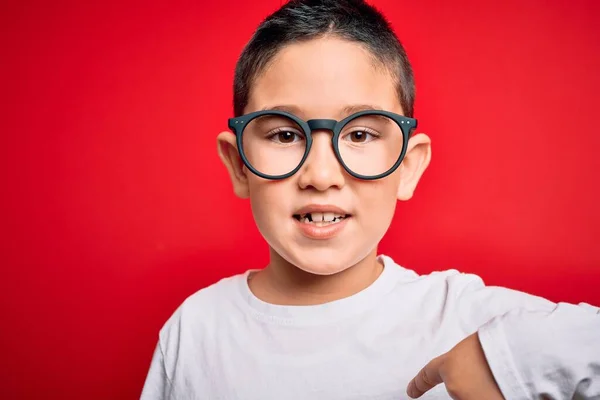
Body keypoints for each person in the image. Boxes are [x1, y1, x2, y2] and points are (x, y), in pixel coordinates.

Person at [140, 1, 600, 399]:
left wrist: (513, 356)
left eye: (360, 133)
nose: (321, 175)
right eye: (284, 134)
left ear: (407, 166)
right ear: (239, 163)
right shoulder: (196, 330)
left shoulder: (467, 319)